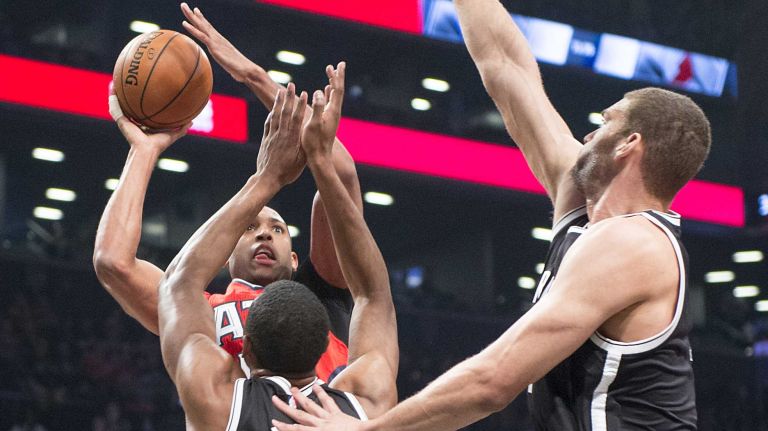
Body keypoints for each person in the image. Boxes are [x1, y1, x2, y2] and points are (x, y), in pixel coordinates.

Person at [270, 0, 710, 430]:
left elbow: (492, 382)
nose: (590, 132)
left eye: (604, 122)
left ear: (628, 145)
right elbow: (506, 66)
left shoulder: (634, 244)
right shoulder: (583, 205)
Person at [93, 3, 362, 381]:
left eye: (278, 229)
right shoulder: (197, 307)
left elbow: (343, 178)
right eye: (249, 228)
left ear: (297, 259)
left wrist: (252, 75)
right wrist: (144, 151)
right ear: (222, 255)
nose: (265, 232)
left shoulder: (325, 297)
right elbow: (113, 263)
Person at [157, 63, 398, 430]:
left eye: (277, 229)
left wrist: (267, 176)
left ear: (245, 350)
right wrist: (320, 160)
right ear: (325, 349)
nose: (265, 235)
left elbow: (179, 283)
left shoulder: (218, 402)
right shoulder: (363, 405)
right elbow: (374, 293)